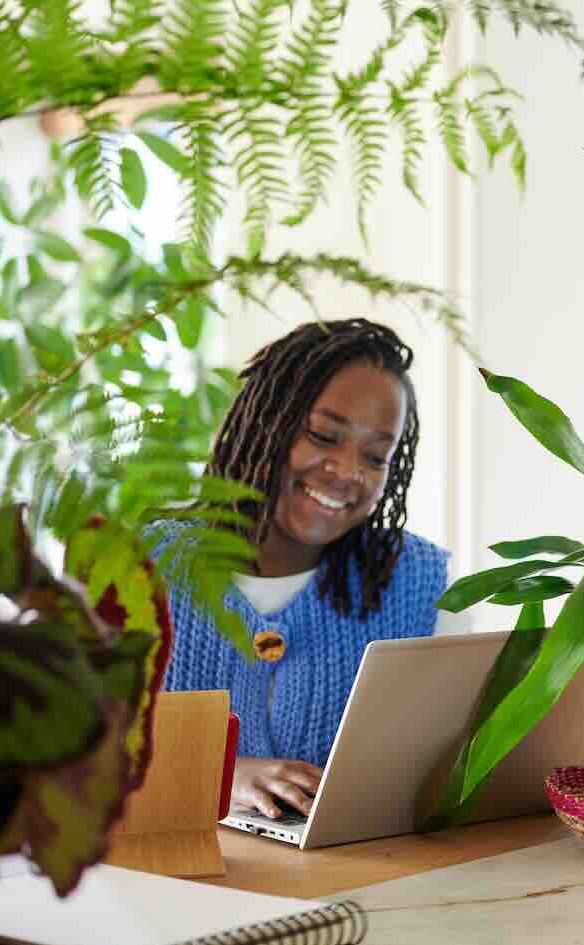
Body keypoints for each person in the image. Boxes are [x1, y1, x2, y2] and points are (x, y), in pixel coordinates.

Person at [160, 318, 452, 820]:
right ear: (264, 424)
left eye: (376, 456)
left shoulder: (419, 581)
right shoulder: (144, 567)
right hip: (165, 883)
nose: (348, 473)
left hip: (351, 883)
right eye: (323, 436)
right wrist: (215, 775)